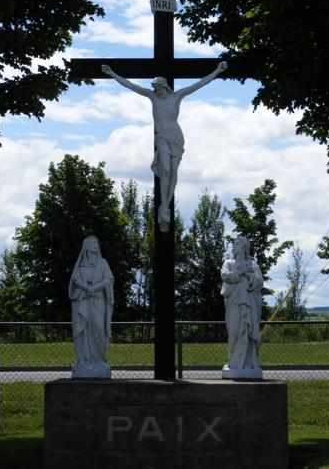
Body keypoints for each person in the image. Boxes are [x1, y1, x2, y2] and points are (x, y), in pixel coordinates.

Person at [101, 61, 228, 231]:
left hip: (176, 137)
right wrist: (112, 74)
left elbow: (200, 83)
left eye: (158, 89)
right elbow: (131, 85)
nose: (156, 92)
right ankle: (164, 207)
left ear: (164, 87)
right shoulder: (153, 97)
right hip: (161, 138)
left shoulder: (177, 96)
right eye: (155, 90)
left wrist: (217, 71)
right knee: (166, 170)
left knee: (174, 171)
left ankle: (165, 205)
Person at [69, 236, 114, 378]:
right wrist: (85, 288)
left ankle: (99, 361)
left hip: (97, 303)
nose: (96, 245)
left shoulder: (103, 263)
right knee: (83, 332)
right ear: (86, 246)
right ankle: (84, 361)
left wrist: (94, 288)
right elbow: (75, 280)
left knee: (98, 329)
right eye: (93, 243)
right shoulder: (80, 264)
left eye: (97, 242)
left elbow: (109, 279)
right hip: (82, 303)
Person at [221, 236, 263, 379]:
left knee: (248, 330)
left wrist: (250, 275)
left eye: (238, 244)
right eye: (234, 243)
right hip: (234, 302)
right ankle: (233, 362)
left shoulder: (253, 265)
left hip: (249, 303)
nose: (234, 245)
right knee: (233, 331)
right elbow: (224, 275)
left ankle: (249, 363)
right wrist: (240, 271)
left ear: (245, 248)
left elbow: (259, 282)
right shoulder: (229, 262)